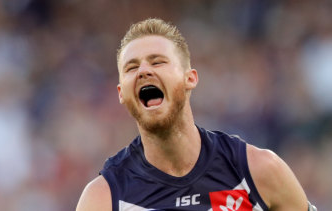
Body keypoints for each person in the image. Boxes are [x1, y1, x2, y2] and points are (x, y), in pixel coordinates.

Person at [76, 18, 317, 211]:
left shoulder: (258, 170)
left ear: (189, 78)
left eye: (157, 62)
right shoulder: (105, 198)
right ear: (121, 93)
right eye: (131, 67)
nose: (144, 71)